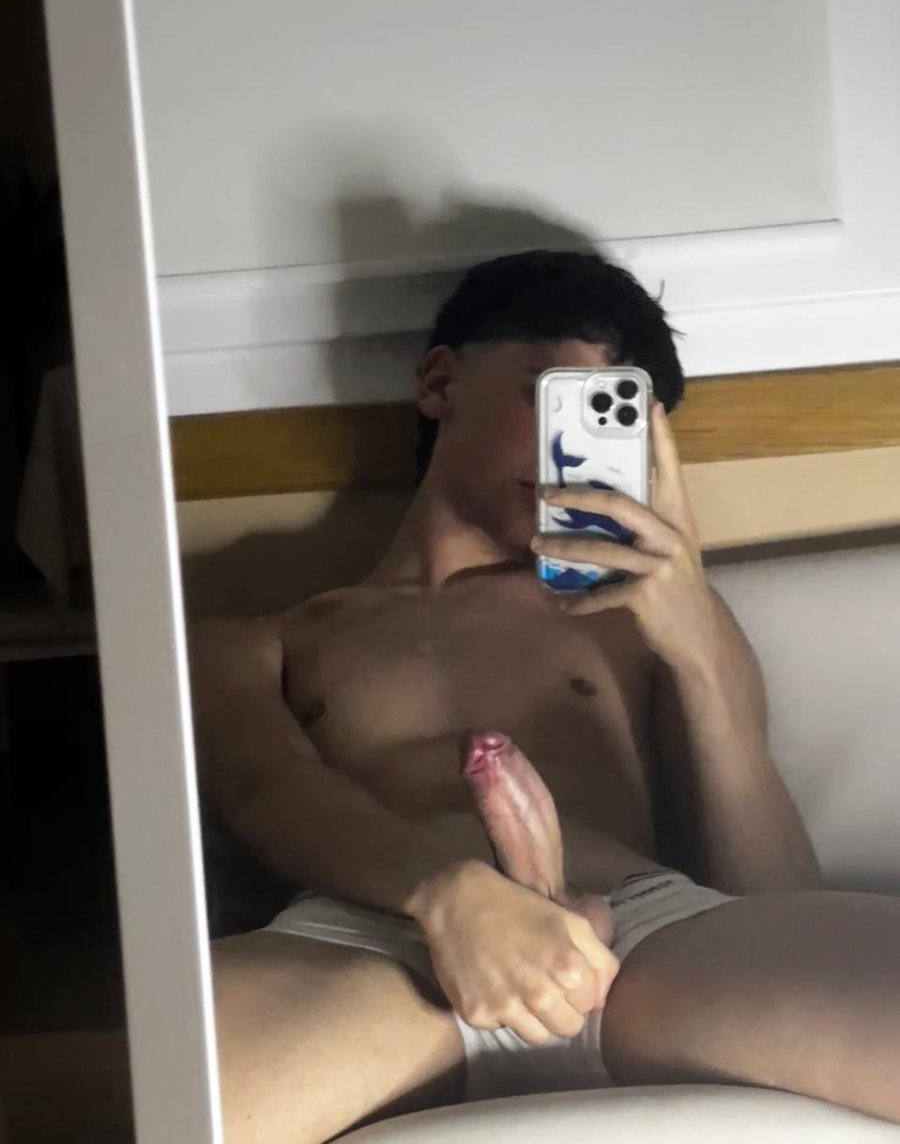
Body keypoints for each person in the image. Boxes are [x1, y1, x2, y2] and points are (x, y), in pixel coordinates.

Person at [190, 250, 900, 1144]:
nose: (574, 449)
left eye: (611, 420)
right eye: (551, 397)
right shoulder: (265, 639)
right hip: (375, 948)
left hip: (643, 943)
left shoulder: (647, 619)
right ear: (440, 383)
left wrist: (698, 648)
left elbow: (776, 899)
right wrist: (445, 898)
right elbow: (266, 792)